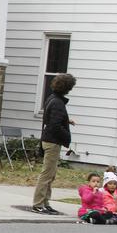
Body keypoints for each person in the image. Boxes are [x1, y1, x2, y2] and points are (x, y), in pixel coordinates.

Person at [32, 73, 75, 215]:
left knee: (51, 174)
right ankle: (38, 204)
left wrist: (67, 121)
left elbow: (53, 118)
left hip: (48, 140)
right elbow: (54, 125)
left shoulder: (52, 98)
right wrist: (66, 135)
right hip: (52, 142)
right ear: (67, 87)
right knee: (47, 174)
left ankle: (45, 202)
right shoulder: (58, 102)